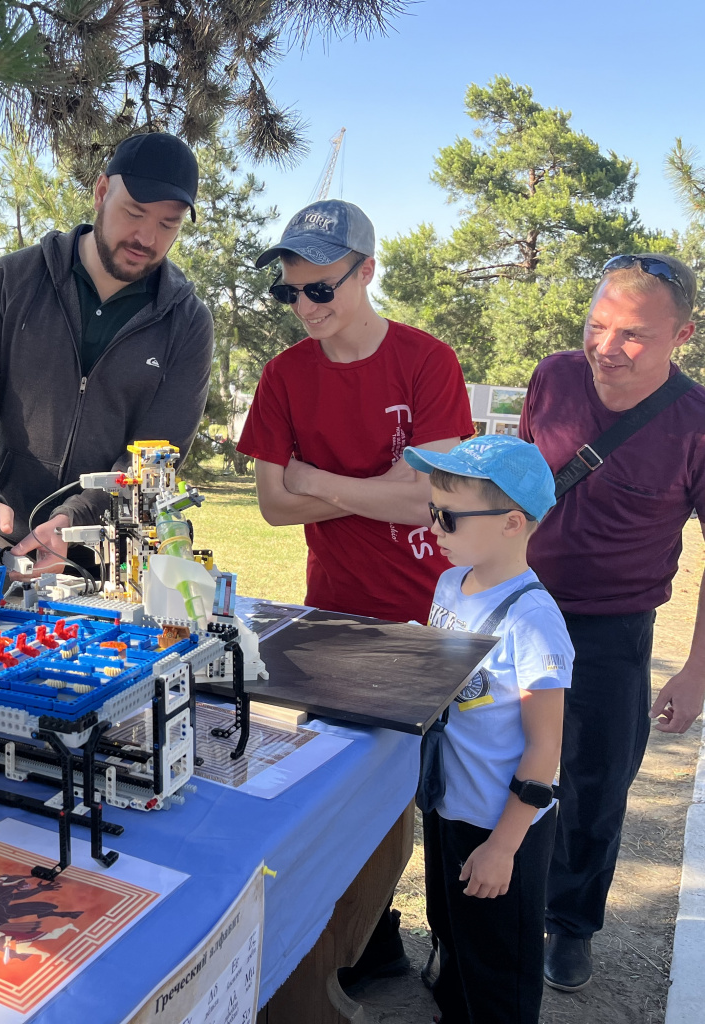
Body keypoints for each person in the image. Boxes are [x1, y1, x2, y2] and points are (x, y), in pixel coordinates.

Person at [236, 200, 473, 985]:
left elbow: (423, 502)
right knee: (341, 798)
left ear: (366, 272)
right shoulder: (282, 376)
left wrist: (317, 479)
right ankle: (354, 947)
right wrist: (374, 484)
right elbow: (273, 507)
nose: (303, 308)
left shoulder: (426, 361)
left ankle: (457, 948)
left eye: (320, 289)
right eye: (289, 292)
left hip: (432, 611)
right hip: (331, 613)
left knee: (440, 799)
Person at [517, 254, 705, 991]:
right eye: (596, 325)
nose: (604, 347)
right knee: (498, 767)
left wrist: (694, 672)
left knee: (596, 787)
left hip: (615, 630)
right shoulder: (552, 376)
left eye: (630, 334)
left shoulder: (695, 421)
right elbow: (523, 479)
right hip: (522, 610)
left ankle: (569, 926)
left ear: (679, 335)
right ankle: (500, 897)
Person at [0, 132, 212, 570]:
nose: (146, 236)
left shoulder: (189, 322)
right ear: (101, 191)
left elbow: (158, 451)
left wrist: (74, 518)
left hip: (113, 553)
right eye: (134, 212)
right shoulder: (12, 280)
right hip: (1, 542)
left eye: (168, 223)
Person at [403, 435, 571, 1023]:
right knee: (454, 932)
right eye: (432, 513)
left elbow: (545, 745)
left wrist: (503, 846)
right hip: (451, 805)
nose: (434, 529)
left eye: (447, 517)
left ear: (511, 523)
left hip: (502, 825)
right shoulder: (454, 583)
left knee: (500, 967)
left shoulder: (533, 623)